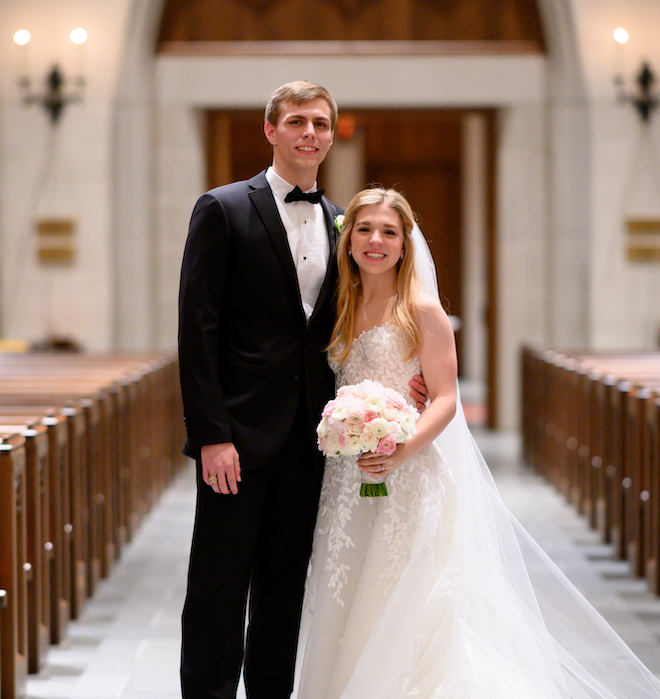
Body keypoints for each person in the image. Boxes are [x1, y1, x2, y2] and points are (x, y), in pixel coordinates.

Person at [294, 186, 660, 698]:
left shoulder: (421, 310)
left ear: (404, 244)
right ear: (348, 240)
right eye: (365, 229)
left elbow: (445, 398)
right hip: (346, 477)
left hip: (408, 473)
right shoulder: (338, 307)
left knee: (399, 604)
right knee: (343, 594)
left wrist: (401, 449)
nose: (376, 240)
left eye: (389, 232)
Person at [177, 81, 426, 699]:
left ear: (331, 133)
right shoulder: (223, 208)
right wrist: (212, 436)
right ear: (271, 131)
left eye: (319, 122)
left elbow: (377, 308)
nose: (309, 133)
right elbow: (197, 330)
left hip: (315, 442)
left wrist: (409, 375)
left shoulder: (345, 221)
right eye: (296, 121)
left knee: (284, 592)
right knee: (218, 590)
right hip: (237, 437)